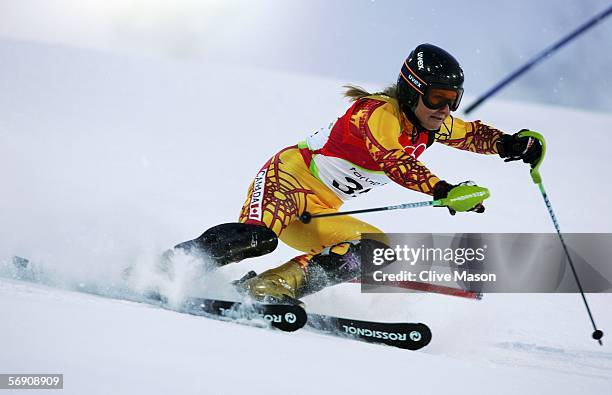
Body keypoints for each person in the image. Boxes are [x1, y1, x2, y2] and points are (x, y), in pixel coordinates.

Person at [174, 43, 542, 303]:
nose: (445, 109)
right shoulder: (376, 114)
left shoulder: (429, 124)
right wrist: (442, 188)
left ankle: (270, 288)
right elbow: (396, 163)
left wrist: (511, 145)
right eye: (437, 98)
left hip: (319, 210)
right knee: (257, 240)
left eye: (453, 99)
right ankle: (171, 267)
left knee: (373, 250)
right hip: (286, 181)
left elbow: (471, 134)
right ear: (412, 91)